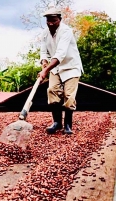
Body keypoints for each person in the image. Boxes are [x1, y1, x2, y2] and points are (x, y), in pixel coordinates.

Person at [38, 5, 84, 135]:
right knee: (52, 90)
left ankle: (68, 125)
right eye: (48, 20)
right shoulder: (45, 33)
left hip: (71, 66)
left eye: (54, 20)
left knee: (69, 96)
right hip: (55, 68)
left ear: (60, 19)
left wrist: (45, 71)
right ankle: (57, 122)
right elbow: (43, 52)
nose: (51, 23)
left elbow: (60, 54)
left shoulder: (66, 31)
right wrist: (44, 62)